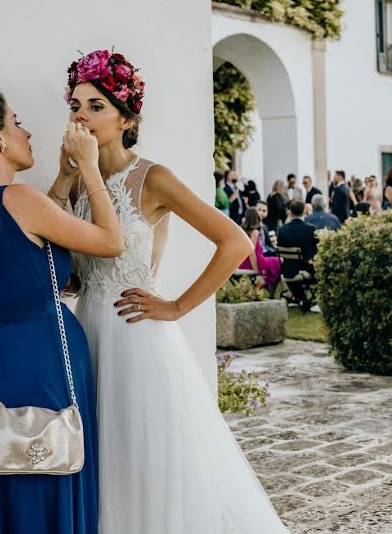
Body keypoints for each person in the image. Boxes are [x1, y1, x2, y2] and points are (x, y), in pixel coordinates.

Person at [49, 50, 288, 532]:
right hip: (84, 334)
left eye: (96, 106)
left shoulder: (151, 178)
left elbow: (234, 242)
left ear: (126, 118)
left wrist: (177, 306)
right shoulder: (75, 183)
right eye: (76, 105)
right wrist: (67, 175)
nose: (81, 115)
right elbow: (60, 258)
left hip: (135, 335)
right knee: (97, 457)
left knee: (145, 459)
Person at [0, 91, 123, 532]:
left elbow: (28, 246)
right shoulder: (17, 199)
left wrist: (62, 176)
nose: (28, 132)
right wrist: (90, 168)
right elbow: (112, 242)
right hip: (37, 382)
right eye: (18, 122)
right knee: (38, 505)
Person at [239, 207, 282, 291]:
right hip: (255, 260)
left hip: (245, 260)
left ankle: (270, 289)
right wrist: (256, 272)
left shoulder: (243, 230)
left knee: (277, 261)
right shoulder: (254, 232)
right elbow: (251, 252)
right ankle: (272, 289)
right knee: (279, 261)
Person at [277, 200, 319, 280]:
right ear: (304, 211)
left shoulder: (282, 229)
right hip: (307, 267)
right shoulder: (311, 229)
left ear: (290, 212)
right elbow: (317, 248)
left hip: (288, 269)